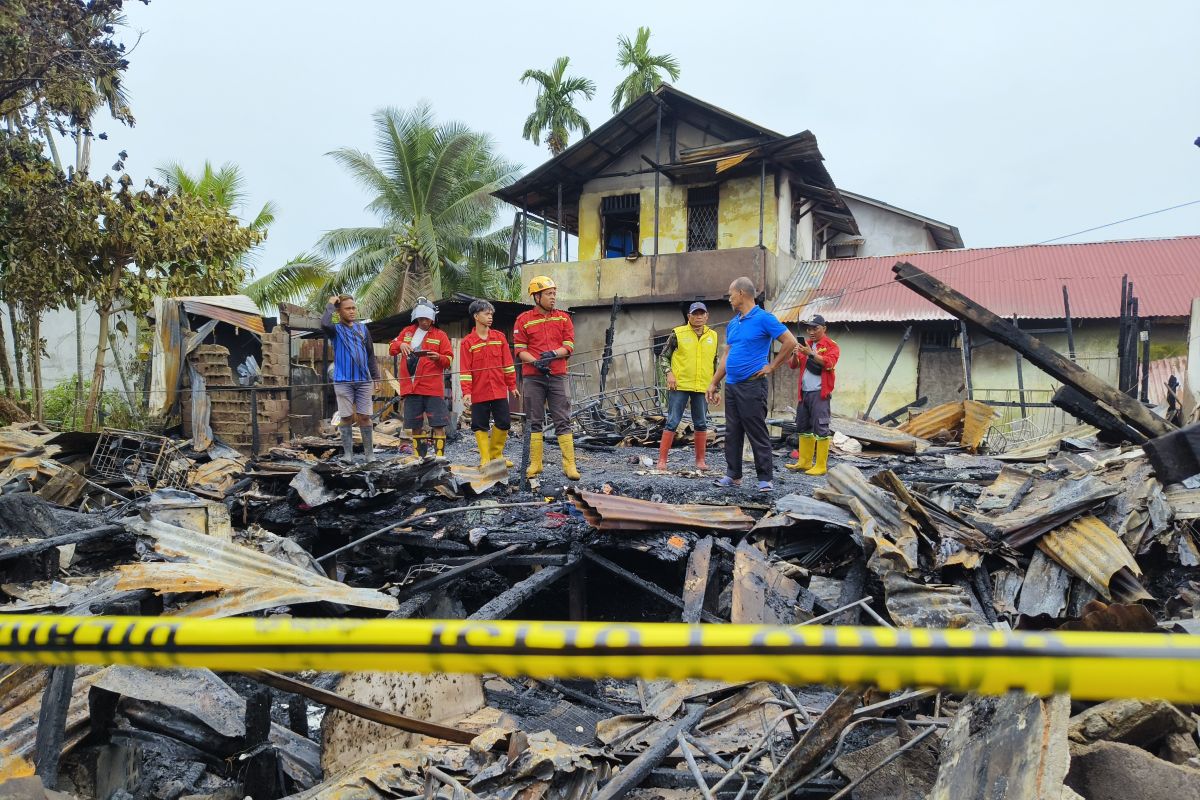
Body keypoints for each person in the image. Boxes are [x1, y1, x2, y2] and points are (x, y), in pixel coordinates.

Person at [706, 277, 798, 492]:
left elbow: (790, 342)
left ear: (741, 293)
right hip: (732, 385)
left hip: (752, 385)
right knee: (732, 431)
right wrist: (714, 382)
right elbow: (727, 356)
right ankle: (733, 474)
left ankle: (765, 478)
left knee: (756, 431)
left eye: (730, 294)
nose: (729, 299)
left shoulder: (764, 318)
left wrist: (772, 366)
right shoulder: (733, 323)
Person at [514, 275, 579, 480]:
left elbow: (569, 346)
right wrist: (535, 362)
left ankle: (570, 466)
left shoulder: (563, 318)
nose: (553, 298)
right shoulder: (523, 320)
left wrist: (553, 354)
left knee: (563, 419)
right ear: (536, 297)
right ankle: (536, 464)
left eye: (554, 294)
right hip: (533, 377)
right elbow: (519, 349)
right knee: (535, 420)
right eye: (549, 294)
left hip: (558, 376)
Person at [656, 301, 719, 471]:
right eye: (695, 314)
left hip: (702, 386)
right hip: (680, 384)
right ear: (689, 316)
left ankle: (700, 461)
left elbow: (715, 362)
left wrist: (716, 387)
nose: (698, 317)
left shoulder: (713, 336)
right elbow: (663, 356)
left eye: (701, 314)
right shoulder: (677, 334)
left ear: (707, 316)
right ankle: (662, 461)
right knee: (672, 422)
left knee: (701, 423)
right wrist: (669, 373)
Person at [389, 299, 453, 458]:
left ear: (433, 318)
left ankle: (439, 458)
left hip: (432, 389)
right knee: (415, 425)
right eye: (421, 318)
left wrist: (438, 357)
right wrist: (400, 345)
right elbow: (392, 348)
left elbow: (449, 359)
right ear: (416, 318)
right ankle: (419, 458)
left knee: (438, 423)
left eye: (427, 318)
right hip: (411, 389)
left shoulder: (440, 335)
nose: (424, 322)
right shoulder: (407, 332)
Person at [459, 299, 519, 467]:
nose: (490, 316)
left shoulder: (499, 338)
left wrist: (512, 386)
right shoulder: (467, 342)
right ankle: (485, 458)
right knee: (479, 424)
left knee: (504, 422)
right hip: (479, 392)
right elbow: (465, 371)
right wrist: (467, 392)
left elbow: (508, 365)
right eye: (486, 313)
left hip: (499, 390)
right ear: (476, 316)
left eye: (491, 313)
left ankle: (496, 455)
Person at [322, 294, 380, 463]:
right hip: (343, 381)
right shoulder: (335, 330)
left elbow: (370, 354)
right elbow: (324, 323)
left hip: (363, 381)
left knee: (365, 417)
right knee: (346, 417)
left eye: (354, 307)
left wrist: (375, 376)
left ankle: (369, 455)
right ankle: (348, 455)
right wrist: (331, 303)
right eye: (348, 308)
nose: (352, 311)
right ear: (339, 311)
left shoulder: (363, 329)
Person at [786, 314, 840, 476]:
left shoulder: (830, 345)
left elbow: (829, 363)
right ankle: (804, 461)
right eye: (808, 328)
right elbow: (793, 365)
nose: (811, 331)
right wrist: (796, 354)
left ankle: (821, 465)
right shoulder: (805, 345)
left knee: (821, 428)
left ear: (824, 328)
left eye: (815, 328)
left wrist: (810, 353)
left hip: (820, 393)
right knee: (803, 427)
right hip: (804, 393)